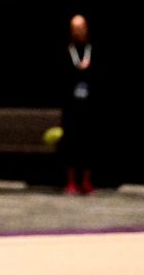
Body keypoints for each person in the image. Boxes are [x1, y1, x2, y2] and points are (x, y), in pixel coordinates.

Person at [61, 13, 96, 195]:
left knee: (88, 143)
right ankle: (71, 182)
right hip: (71, 106)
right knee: (70, 143)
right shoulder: (67, 50)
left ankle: (87, 181)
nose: (78, 31)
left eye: (81, 27)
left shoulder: (93, 49)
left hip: (89, 105)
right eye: (75, 28)